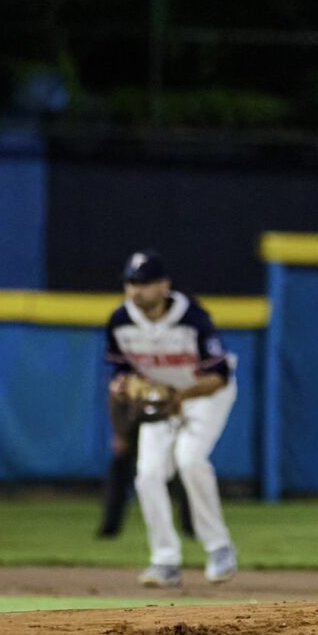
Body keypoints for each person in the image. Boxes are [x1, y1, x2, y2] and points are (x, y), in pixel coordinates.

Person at [104, 249, 239, 587]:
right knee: (148, 473)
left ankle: (219, 547)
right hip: (161, 396)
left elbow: (220, 375)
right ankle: (165, 561)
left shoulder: (192, 318)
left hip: (204, 396)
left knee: (189, 460)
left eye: (144, 284)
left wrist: (181, 397)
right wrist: (127, 385)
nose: (136, 291)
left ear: (164, 285)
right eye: (131, 283)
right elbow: (121, 371)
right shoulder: (120, 321)